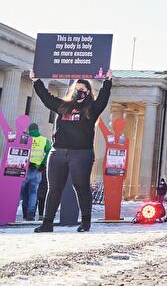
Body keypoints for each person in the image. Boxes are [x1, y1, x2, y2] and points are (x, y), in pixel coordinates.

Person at [30, 69, 113, 233]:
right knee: (54, 188)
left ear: (88, 92)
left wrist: (108, 82)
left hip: (81, 154)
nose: (79, 92)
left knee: (81, 187)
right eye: (77, 89)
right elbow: (47, 99)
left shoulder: (92, 108)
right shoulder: (63, 106)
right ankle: (47, 223)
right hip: (58, 152)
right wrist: (36, 81)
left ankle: (85, 222)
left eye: (82, 90)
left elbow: (103, 99)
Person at [18, 123, 51, 221]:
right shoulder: (44, 140)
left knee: (20, 192)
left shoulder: (25, 138)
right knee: (33, 192)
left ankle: (11, 212)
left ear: (29, 129)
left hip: (24, 169)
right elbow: (49, 152)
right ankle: (30, 214)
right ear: (38, 129)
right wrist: (42, 164)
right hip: (37, 170)